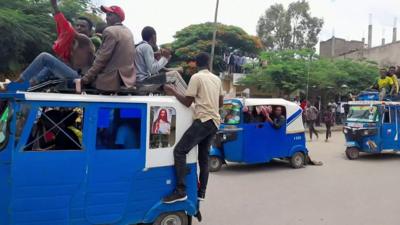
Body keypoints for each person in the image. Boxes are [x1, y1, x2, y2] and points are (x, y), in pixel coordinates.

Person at [162, 52, 223, 203]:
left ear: (196, 64)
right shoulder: (217, 79)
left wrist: (173, 91)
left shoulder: (196, 77)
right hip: (214, 122)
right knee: (203, 158)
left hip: (203, 121)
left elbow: (188, 102)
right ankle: (202, 192)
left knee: (179, 151)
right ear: (209, 64)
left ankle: (181, 190)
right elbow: (220, 103)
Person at [1, 0, 95, 91]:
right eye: (77, 25)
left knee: (44, 57)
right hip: (73, 77)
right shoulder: (74, 44)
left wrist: (54, 5)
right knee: (50, 65)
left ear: (90, 31)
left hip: (80, 79)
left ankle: (18, 83)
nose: (79, 28)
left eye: (83, 26)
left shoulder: (86, 40)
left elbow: (67, 29)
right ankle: (28, 85)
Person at [75, 5, 136, 93]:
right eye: (106, 15)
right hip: (127, 80)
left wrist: (85, 79)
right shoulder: (128, 31)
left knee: (71, 80)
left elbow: (102, 59)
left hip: (110, 82)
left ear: (118, 17)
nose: (106, 18)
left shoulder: (109, 31)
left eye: (110, 15)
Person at [135, 26, 187, 94]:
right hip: (144, 81)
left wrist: (157, 56)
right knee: (174, 75)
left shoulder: (139, 46)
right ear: (153, 37)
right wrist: (165, 58)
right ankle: (189, 97)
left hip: (140, 80)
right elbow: (153, 69)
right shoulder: (147, 47)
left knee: (170, 83)